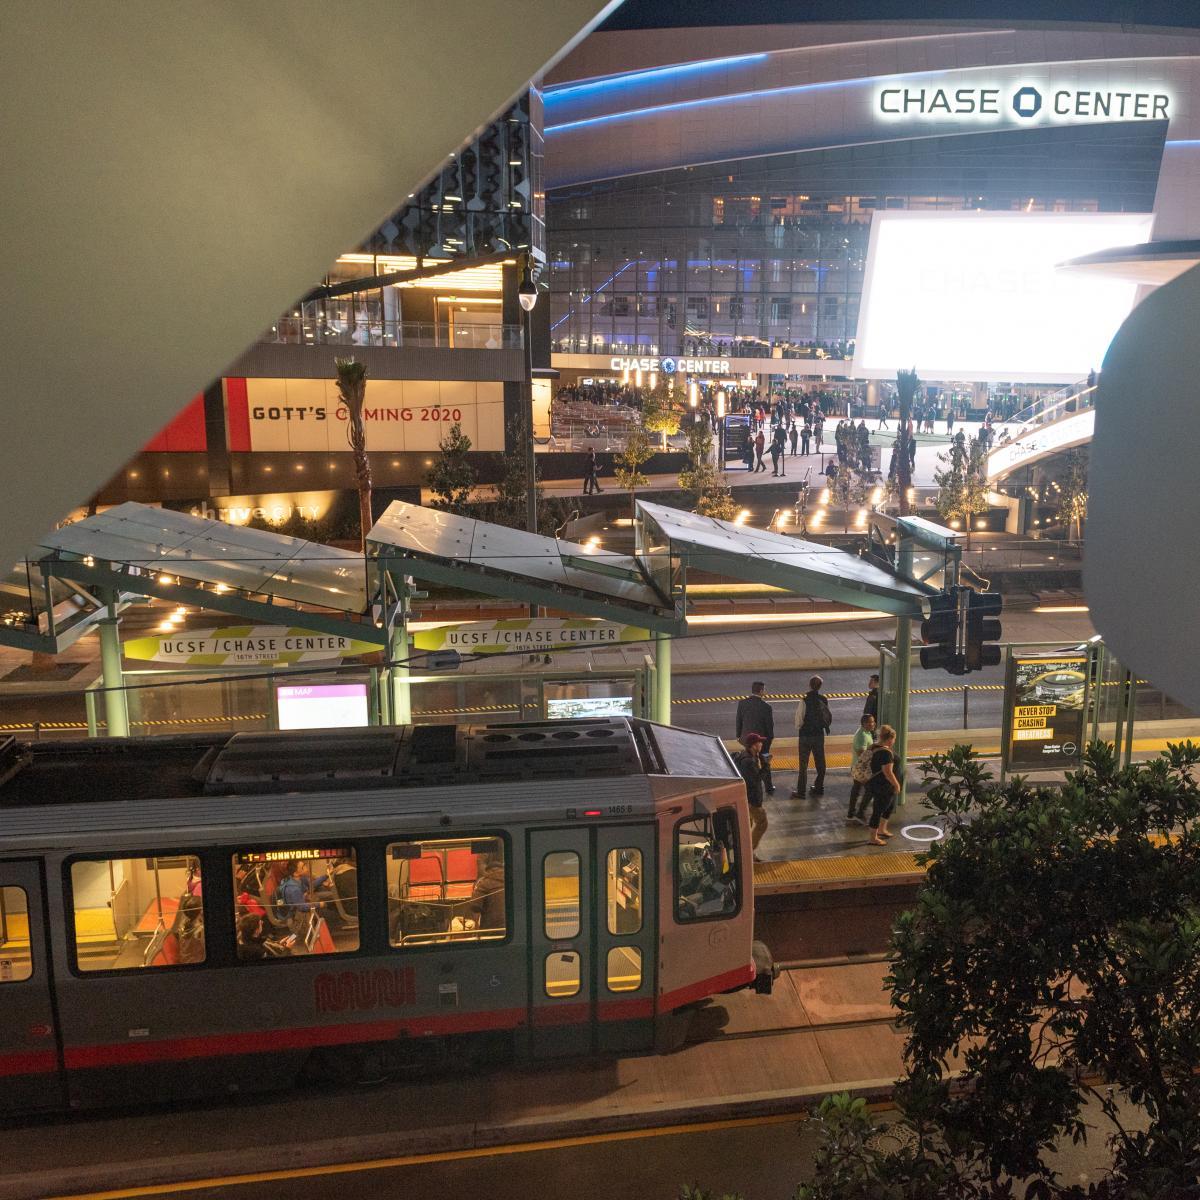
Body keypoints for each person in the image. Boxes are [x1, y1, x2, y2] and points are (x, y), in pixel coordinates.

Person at [791, 675, 832, 799]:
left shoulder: (804, 700)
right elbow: (826, 716)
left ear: (809, 685)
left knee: (803, 765)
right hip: (819, 735)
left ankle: (801, 791)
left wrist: (801, 728)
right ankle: (819, 787)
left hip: (805, 736)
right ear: (820, 686)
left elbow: (799, 720)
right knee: (820, 762)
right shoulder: (823, 699)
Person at [735, 681, 775, 795]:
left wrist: (738, 735)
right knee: (765, 761)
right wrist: (769, 740)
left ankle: (750, 785)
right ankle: (768, 787)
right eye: (764, 690)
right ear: (761, 691)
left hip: (747, 740)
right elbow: (769, 726)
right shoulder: (766, 707)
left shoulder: (742, 703)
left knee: (750, 761)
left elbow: (739, 720)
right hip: (761, 741)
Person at [733, 733, 768, 856]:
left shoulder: (748, 756)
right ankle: (748, 852)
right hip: (751, 800)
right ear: (753, 745)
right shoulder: (749, 761)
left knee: (748, 825)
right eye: (759, 742)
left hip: (746, 799)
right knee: (762, 822)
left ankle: (745, 851)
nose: (761, 744)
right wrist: (766, 765)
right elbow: (755, 780)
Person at [867, 724, 902, 846]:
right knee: (878, 810)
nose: (894, 741)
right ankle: (873, 838)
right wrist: (896, 784)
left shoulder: (875, 746)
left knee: (889, 807)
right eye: (894, 739)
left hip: (879, 784)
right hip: (883, 786)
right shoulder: (885, 753)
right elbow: (887, 772)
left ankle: (882, 829)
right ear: (890, 738)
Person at [847, 713, 878, 823]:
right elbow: (862, 753)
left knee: (856, 789)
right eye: (870, 722)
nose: (872, 724)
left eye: (873, 721)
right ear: (863, 723)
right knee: (871, 789)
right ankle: (860, 812)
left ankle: (851, 813)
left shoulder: (866, 732)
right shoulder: (862, 736)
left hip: (858, 766)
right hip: (861, 768)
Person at [465, 852, 506, 932]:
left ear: (489, 871)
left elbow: (475, 906)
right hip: (509, 926)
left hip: (490, 928)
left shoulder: (484, 884)